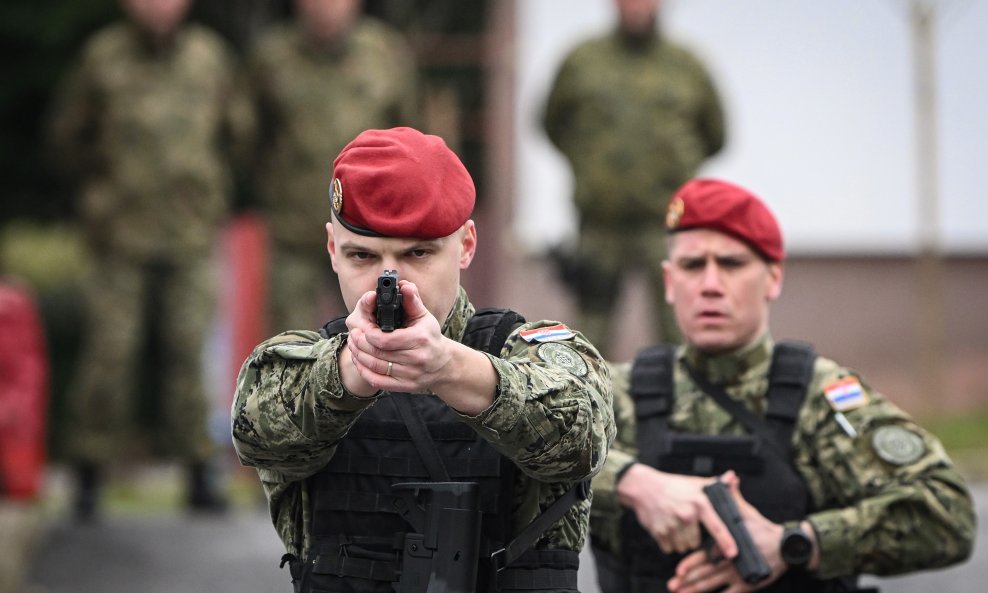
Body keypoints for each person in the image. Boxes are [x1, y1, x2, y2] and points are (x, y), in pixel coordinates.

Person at [231, 126, 615, 593]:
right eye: (362, 256)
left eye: (417, 253)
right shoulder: (297, 368)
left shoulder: (538, 353)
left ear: (467, 245)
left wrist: (451, 369)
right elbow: (255, 432)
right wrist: (350, 372)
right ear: (332, 249)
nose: (388, 279)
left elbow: (583, 436)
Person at [588, 178, 976, 593]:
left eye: (732, 264)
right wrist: (633, 482)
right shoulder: (616, 393)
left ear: (773, 278)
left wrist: (795, 543)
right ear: (668, 281)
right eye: (692, 265)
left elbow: (947, 514)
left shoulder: (818, 396)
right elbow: (518, 450)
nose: (710, 284)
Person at [46, 0, 255, 519]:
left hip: (188, 231)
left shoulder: (209, 57)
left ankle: (197, 470)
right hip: (121, 233)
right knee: (110, 353)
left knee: (189, 350)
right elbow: (68, 137)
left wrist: (205, 188)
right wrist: (104, 192)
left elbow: (239, 134)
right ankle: (89, 474)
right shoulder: (104, 58)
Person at [542, 0, 725, 353]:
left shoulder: (686, 65)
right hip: (600, 223)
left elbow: (716, 136)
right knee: (589, 336)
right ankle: (588, 405)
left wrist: (672, 171)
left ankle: (687, 404)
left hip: (668, 221)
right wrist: (590, 168)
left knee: (681, 325)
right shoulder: (583, 61)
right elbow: (552, 124)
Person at [246, 0, 417, 333]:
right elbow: (248, 136)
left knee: (378, 333)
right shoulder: (272, 58)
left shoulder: (385, 53)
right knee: (286, 342)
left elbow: (407, 138)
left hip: (369, 231)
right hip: (294, 229)